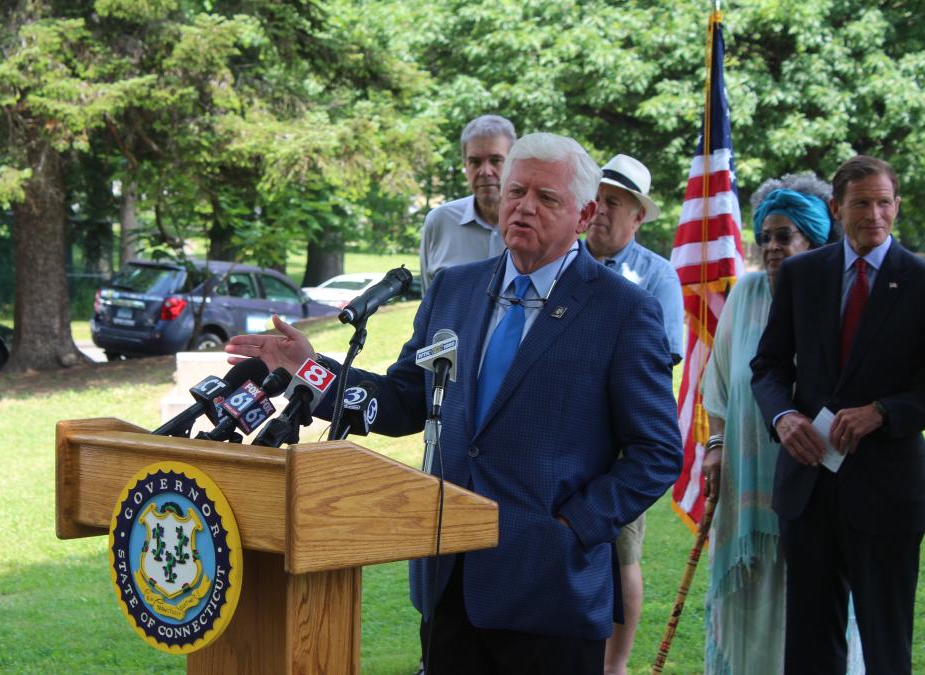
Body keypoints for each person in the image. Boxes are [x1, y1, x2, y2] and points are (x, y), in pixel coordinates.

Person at [228, 132, 682, 673]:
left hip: (549, 590)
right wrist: (309, 369)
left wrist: (576, 523)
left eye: (547, 198)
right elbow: (401, 401)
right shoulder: (454, 290)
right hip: (448, 581)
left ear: (583, 215)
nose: (524, 207)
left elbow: (656, 451)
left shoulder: (624, 311)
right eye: (516, 192)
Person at [751, 156, 925, 674]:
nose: (874, 214)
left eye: (884, 202)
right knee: (808, 642)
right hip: (808, 486)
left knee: (885, 642)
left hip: (887, 490)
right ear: (836, 208)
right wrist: (783, 416)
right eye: (861, 203)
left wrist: (884, 412)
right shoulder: (804, 274)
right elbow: (769, 366)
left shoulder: (918, 281)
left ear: (896, 205)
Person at [701, 173, 866, 674]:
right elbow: (720, 386)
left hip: (818, 482)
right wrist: (715, 444)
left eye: (785, 235)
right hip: (748, 488)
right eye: (765, 236)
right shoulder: (745, 296)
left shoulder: (839, 297)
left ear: (814, 239)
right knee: (752, 597)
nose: (772, 247)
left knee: (814, 599)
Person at [586, 153, 684, 675]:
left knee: (622, 550)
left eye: (615, 203)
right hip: (567, 430)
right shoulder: (564, 262)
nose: (601, 211)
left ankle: (614, 664)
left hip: (626, 439)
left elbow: (660, 359)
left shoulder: (658, 276)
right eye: (597, 199)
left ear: (638, 216)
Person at [418, 115, 515, 291]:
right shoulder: (440, 222)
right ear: (465, 166)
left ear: (514, 164)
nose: (485, 171)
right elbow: (429, 305)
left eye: (496, 160)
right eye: (475, 162)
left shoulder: (535, 224)